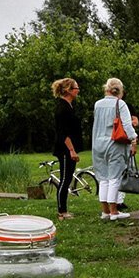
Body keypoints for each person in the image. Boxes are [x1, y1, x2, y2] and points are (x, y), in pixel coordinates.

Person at [92, 77, 138, 221]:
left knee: (103, 178)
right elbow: (127, 125)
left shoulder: (98, 104)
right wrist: (134, 138)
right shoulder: (120, 104)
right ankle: (114, 212)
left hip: (98, 144)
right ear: (120, 90)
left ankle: (105, 211)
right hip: (114, 144)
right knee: (114, 177)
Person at [50, 77, 83, 221]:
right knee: (65, 179)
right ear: (68, 90)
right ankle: (61, 211)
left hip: (70, 147)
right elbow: (63, 133)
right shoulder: (62, 109)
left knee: (68, 177)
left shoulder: (69, 106)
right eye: (76, 88)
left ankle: (63, 209)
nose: (78, 90)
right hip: (64, 149)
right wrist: (71, 150)